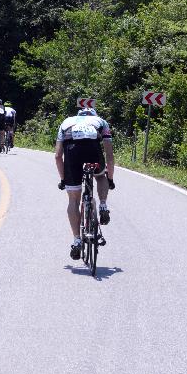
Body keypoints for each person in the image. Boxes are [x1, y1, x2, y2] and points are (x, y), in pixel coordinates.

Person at [55, 107, 115, 260]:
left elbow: (57, 156)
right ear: (93, 115)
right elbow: (109, 154)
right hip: (92, 149)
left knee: (73, 199)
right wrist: (110, 179)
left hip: (72, 152)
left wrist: (63, 179)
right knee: (101, 176)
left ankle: (76, 241)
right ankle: (102, 205)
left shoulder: (66, 122)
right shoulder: (100, 122)